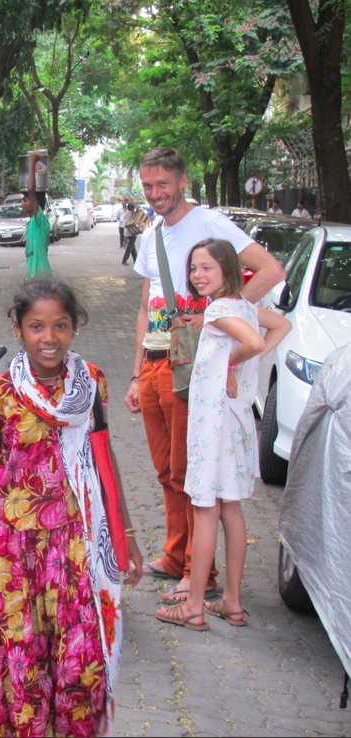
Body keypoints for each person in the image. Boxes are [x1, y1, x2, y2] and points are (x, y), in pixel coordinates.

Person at [0, 279, 143, 737]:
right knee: (23, 668)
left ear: (74, 328)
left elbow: (104, 459)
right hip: (12, 550)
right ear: (18, 330)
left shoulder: (91, 384)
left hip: (77, 543)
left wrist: (128, 534)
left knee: (81, 666)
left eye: (60, 325)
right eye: (36, 326)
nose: (49, 337)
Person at [124, 147, 284, 606]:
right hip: (155, 363)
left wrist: (222, 311)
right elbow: (143, 307)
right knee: (165, 471)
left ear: (181, 180)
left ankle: (199, 572)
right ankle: (176, 556)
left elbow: (271, 270)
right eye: (148, 186)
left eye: (163, 185)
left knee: (188, 471)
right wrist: (136, 374)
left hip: (190, 364)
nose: (155, 194)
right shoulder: (154, 233)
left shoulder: (210, 223)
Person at [156, 240, 290, 630]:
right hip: (237, 421)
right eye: (194, 268)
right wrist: (247, 365)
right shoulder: (246, 308)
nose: (198, 276)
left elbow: (255, 342)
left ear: (227, 269)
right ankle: (231, 600)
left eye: (207, 268)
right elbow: (281, 326)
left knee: (205, 508)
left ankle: (194, 605)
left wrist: (231, 364)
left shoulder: (218, 310)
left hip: (212, 423)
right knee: (230, 507)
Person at [21, 151, 52, 278]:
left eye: (25, 200)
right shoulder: (31, 223)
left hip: (41, 276)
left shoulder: (40, 221)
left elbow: (30, 190)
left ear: (35, 203)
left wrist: (32, 163)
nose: (22, 203)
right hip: (32, 276)